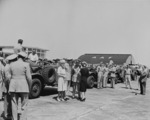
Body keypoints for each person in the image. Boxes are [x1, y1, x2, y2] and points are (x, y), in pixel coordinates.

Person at [9, 52, 32, 120]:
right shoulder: (26, 64)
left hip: (13, 86)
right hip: (23, 86)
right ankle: (23, 118)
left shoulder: (11, 64)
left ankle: (14, 118)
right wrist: (29, 87)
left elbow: (8, 77)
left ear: (17, 56)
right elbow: (29, 78)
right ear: (24, 58)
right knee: (24, 105)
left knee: (14, 104)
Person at [3, 54, 18, 120]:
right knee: (9, 101)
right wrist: (11, 87)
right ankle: (8, 115)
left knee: (8, 100)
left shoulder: (7, 66)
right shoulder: (8, 67)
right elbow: (8, 78)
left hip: (7, 86)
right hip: (8, 86)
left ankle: (8, 114)